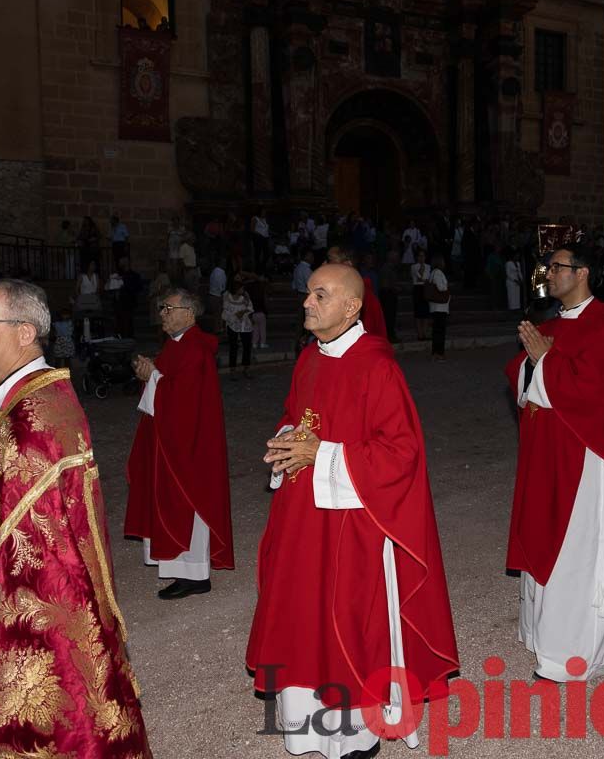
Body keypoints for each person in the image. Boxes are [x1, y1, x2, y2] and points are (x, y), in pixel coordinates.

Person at [0, 278, 151, 757]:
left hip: (36, 609)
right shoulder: (32, 399)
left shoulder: (31, 418)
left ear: (25, 332)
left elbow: (11, 527)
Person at [248, 263, 459, 758]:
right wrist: (287, 441)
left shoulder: (377, 367)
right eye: (307, 293)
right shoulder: (309, 359)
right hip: (304, 517)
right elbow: (298, 416)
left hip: (354, 524)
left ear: (351, 306)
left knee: (345, 617)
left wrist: (322, 453)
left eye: (320, 295)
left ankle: (357, 733)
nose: (307, 303)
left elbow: (401, 453)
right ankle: (308, 729)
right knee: (303, 613)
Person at [506, 240, 604, 681]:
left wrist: (544, 361)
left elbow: (592, 391)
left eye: (557, 266)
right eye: (548, 266)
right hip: (549, 454)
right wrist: (534, 365)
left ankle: (572, 655)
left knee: (575, 551)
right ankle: (545, 634)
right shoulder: (557, 324)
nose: (548, 273)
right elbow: (525, 377)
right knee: (547, 534)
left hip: (589, 459)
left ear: (582, 273)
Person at [125, 288, 233, 598]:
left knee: (186, 502)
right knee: (169, 502)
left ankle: (195, 575)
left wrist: (153, 376)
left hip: (189, 446)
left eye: (168, 308)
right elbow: (169, 385)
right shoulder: (177, 345)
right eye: (162, 308)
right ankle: (179, 569)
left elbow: (185, 402)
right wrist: (153, 375)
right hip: (168, 442)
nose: (162, 313)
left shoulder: (195, 349)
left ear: (189, 312)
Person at [326, 245, 387, 341]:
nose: (325, 264)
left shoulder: (362, 295)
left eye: (330, 260)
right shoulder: (342, 291)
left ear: (346, 264)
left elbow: (367, 332)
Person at [222, 278, 254, 376]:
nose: (243, 290)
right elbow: (226, 312)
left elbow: (250, 308)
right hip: (232, 325)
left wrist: (243, 312)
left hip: (245, 325)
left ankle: (246, 368)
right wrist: (235, 316)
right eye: (241, 288)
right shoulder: (227, 297)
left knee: (247, 347)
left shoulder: (245, 298)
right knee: (233, 347)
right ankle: (232, 369)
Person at [112, 256, 143, 338]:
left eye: (122, 262)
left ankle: (128, 339)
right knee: (120, 323)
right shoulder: (118, 275)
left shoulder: (134, 275)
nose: (120, 264)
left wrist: (125, 283)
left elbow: (138, 288)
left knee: (127, 323)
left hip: (128, 302)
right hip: (118, 303)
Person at [427, 253, 449, 360]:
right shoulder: (438, 273)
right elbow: (441, 288)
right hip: (440, 307)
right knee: (440, 331)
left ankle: (435, 352)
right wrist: (447, 288)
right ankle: (439, 352)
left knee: (436, 331)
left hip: (435, 306)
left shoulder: (432, 273)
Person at [378, 249, 400, 342]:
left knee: (390, 317)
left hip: (389, 295)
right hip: (388, 296)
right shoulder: (386, 269)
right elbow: (385, 285)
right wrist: (394, 288)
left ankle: (390, 335)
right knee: (389, 317)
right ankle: (389, 336)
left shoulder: (391, 268)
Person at [410, 248, 431, 340]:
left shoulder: (428, 266)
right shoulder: (414, 266)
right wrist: (421, 270)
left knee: (426, 312)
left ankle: (425, 333)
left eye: (423, 256)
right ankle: (420, 334)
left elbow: (427, 279)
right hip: (418, 289)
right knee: (418, 313)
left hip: (425, 288)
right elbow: (420, 278)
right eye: (420, 256)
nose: (421, 258)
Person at [206, 257, 227, 333]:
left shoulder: (213, 271)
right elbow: (221, 286)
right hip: (217, 296)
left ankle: (217, 329)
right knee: (219, 314)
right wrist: (223, 296)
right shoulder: (220, 272)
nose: (225, 263)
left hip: (212, 294)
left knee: (216, 315)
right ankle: (219, 328)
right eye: (224, 262)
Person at [504, 246, 523, 311]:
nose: (518, 257)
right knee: (511, 296)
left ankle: (517, 308)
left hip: (517, 281)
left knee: (517, 297)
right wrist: (515, 280)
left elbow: (519, 272)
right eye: (517, 255)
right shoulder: (508, 263)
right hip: (511, 282)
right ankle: (511, 309)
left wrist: (521, 280)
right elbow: (508, 274)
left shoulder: (518, 263)